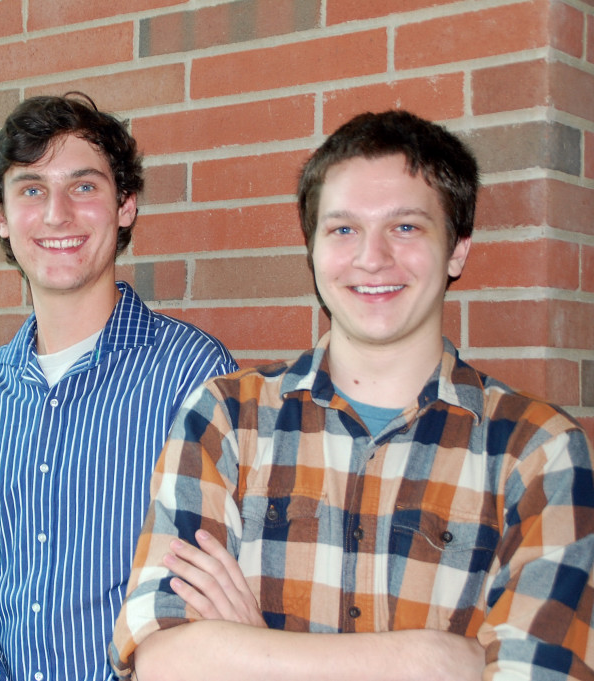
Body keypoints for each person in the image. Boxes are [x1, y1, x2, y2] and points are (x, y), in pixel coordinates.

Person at [110, 110, 594, 680]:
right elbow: (165, 661)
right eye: (343, 229)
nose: (372, 258)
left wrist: (255, 651)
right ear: (312, 251)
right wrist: (431, 660)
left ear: (458, 248)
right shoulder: (226, 418)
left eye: (406, 227)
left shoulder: (540, 451)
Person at [0, 93, 238, 681]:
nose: (57, 214)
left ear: (126, 205)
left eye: (84, 187)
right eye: (32, 189)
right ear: (0, 216)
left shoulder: (194, 375)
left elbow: (211, 591)